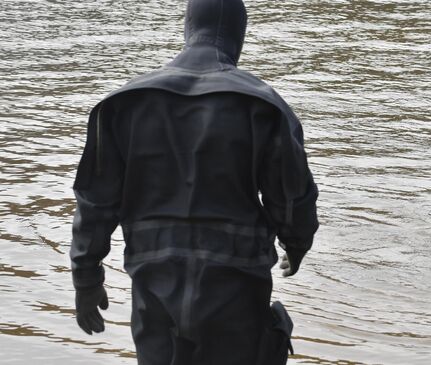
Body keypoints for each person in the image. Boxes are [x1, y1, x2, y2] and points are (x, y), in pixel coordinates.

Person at [69, 0, 318, 364]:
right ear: (239, 36)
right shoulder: (263, 105)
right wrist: (296, 244)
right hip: (236, 282)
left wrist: (86, 277)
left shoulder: (123, 103)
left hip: (154, 276)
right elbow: (292, 198)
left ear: (187, 29)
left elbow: (95, 202)